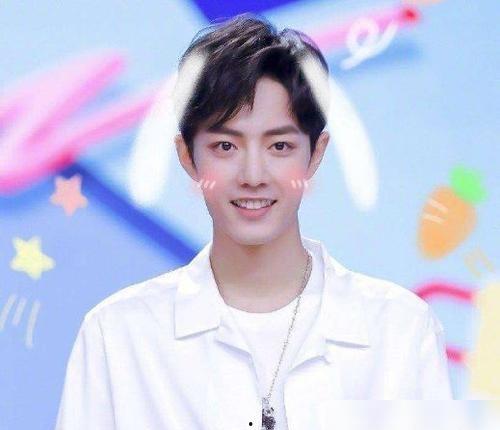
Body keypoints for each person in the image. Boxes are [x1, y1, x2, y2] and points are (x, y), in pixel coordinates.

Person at [55, 12, 453, 430]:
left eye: (279, 146)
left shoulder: (400, 331)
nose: (253, 175)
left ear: (315, 154)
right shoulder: (119, 336)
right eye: (225, 146)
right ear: (187, 156)